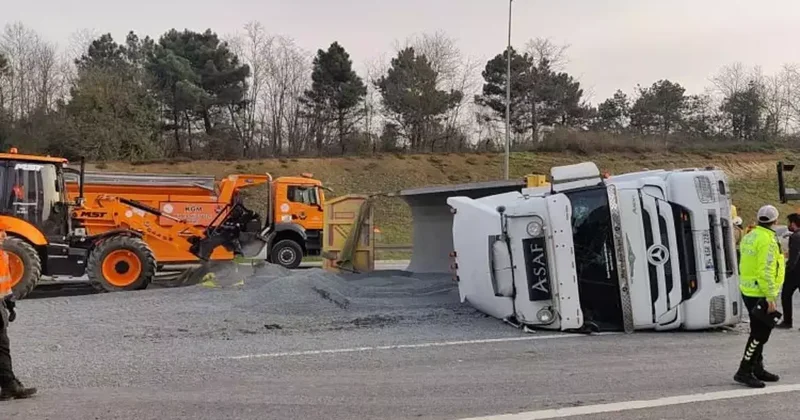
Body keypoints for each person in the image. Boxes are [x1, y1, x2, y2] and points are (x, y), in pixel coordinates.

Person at [734, 204, 785, 388]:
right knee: (759, 333)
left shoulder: (750, 235)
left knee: (759, 331)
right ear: (776, 221)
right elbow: (765, 270)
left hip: (748, 289)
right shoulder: (768, 240)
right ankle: (744, 370)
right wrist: (771, 296)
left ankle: (757, 367)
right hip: (760, 292)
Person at [0, 229, 36, 400]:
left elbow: (4, 284)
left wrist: (9, 303)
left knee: (2, 346)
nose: (4, 236)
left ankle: (9, 385)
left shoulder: (3, 256)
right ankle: (9, 385)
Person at [778, 213, 800, 329]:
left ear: (792, 223)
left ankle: (787, 321)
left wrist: (788, 267)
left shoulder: (795, 236)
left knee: (786, 295)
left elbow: (794, 256)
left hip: (795, 272)